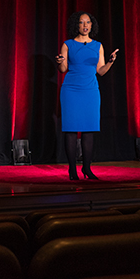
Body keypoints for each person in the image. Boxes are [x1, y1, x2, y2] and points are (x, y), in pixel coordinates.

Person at [56, 12, 119, 180]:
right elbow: (63, 70)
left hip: (90, 91)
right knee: (70, 131)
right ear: (76, 25)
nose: (85, 25)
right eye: (81, 22)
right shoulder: (67, 44)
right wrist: (60, 62)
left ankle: (86, 168)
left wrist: (110, 62)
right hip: (71, 90)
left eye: (88, 22)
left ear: (92, 25)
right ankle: (72, 170)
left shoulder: (98, 46)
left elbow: (101, 71)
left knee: (88, 131)